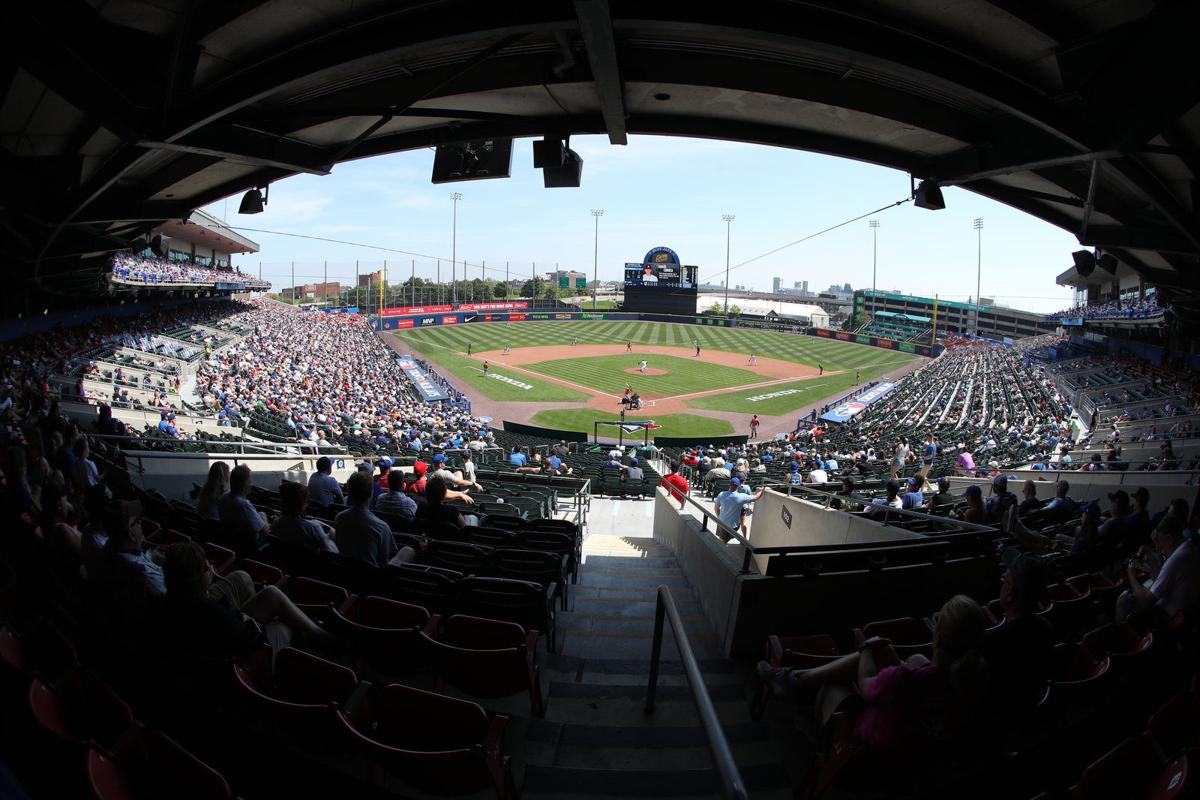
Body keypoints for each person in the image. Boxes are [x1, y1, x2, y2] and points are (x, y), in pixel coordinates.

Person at [757, 594, 989, 756]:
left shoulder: (905, 679)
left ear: (936, 638)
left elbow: (866, 686)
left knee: (834, 684)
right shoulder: (974, 680)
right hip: (917, 752)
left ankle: (811, 717)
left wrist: (867, 648)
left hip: (865, 752)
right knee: (898, 654)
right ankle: (792, 679)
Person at [162, 541, 336, 659]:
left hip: (219, 638)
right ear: (198, 578)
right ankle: (320, 638)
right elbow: (249, 639)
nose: (211, 568)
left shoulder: (168, 602)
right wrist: (251, 619)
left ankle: (311, 632)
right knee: (283, 623)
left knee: (258, 587)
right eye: (207, 568)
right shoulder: (211, 612)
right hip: (250, 658)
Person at [982, 550, 1053, 711]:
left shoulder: (992, 642)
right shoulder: (1046, 628)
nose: (1002, 584)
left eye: (1004, 580)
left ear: (1010, 595)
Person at [1116, 515, 1199, 621]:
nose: (1159, 547)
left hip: (1168, 618)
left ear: (1169, 539)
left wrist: (1131, 575)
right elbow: (1161, 579)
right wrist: (1154, 554)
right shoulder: (1191, 548)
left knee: (1123, 598)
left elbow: (1146, 601)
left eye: (1160, 542)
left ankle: (1122, 632)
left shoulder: (1175, 560)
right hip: (1185, 614)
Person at [334, 472, 416, 567]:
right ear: (371, 494)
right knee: (408, 550)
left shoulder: (339, 518)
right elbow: (384, 561)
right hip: (373, 575)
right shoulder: (380, 526)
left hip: (345, 567)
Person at [270, 481, 338, 552]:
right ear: (302, 504)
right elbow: (329, 554)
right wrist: (326, 540)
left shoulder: (276, 523)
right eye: (306, 501)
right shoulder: (313, 528)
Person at [218, 464, 269, 553]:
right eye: (249, 481)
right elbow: (265, 533)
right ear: (244, 484)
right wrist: (266, 521)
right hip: (250, 547)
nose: (251, 484)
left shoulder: (223, 498)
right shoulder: (244, 505)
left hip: (233, 544)